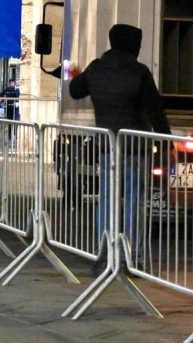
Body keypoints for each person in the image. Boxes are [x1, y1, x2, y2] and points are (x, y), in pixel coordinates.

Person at [67, 24, 170, 249]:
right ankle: (133, 255)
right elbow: (155, 110)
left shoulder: (96, 68)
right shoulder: (139, 72)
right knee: (135, 200)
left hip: (107, 147)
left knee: (107, 198)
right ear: (133, 45)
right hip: (136, 147)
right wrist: (166, 140)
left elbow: (75, 91)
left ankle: (104, 251)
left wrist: (75, 76)